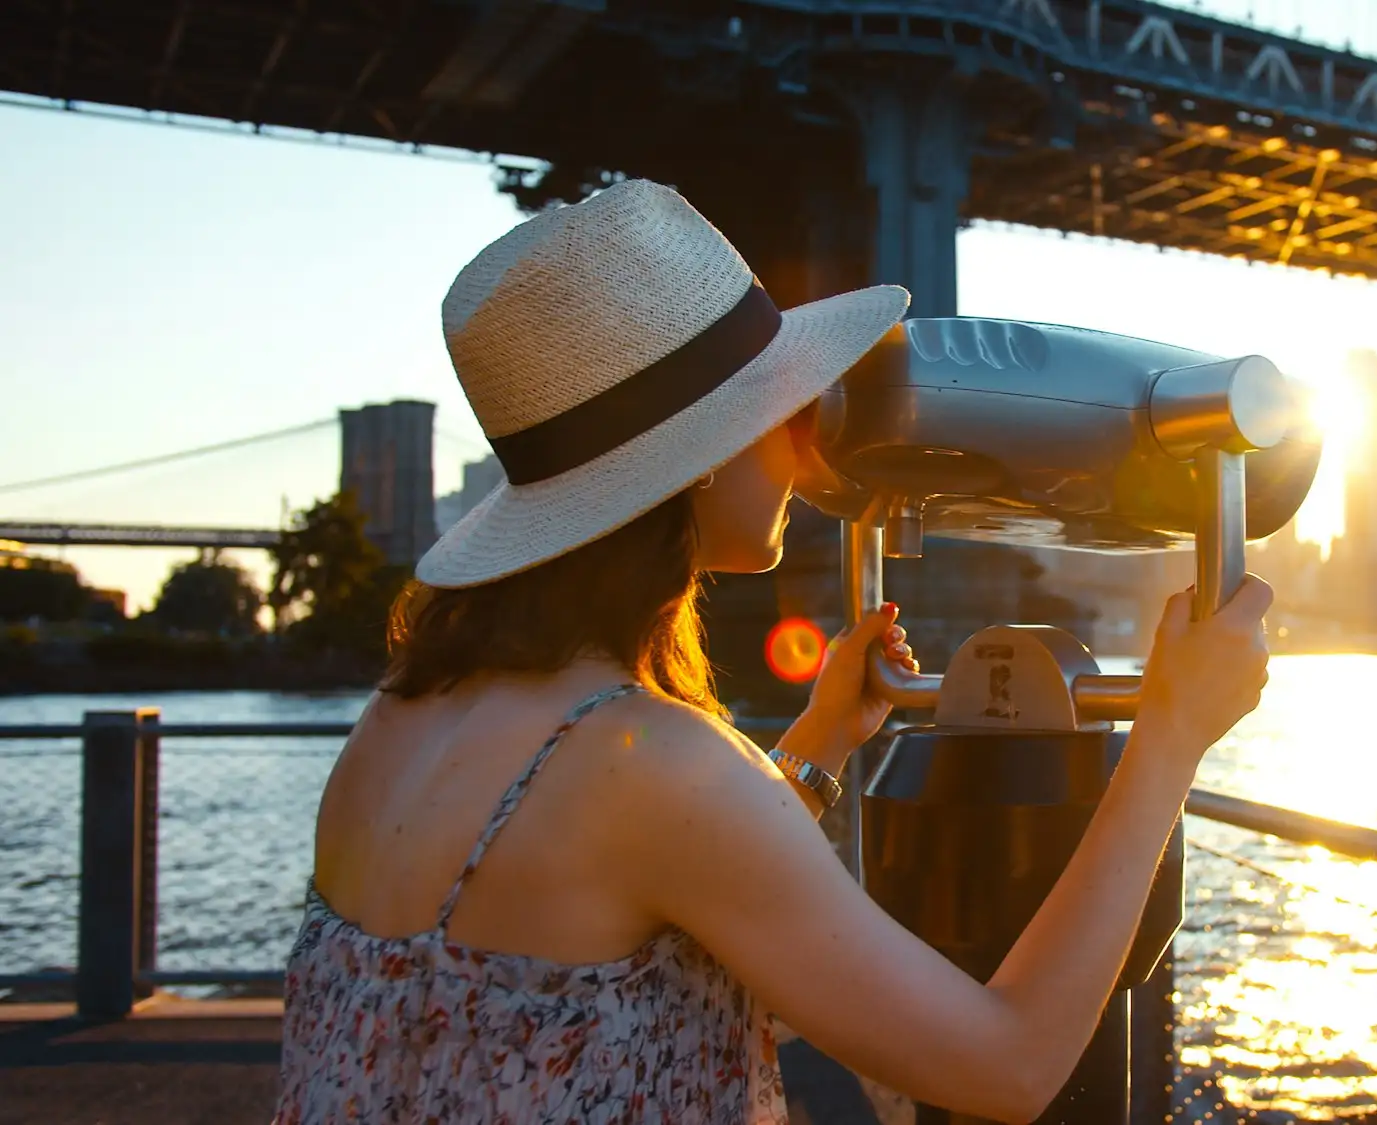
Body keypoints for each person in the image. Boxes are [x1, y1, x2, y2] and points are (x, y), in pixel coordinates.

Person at [274, 179, 1272, 1124]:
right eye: (782, 408)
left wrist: (820, 741)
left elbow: (673, 958)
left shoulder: (396, 723)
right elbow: (1006, 1067)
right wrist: (1168, 740)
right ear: (700, 460)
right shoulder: (648, 768)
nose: (808, 444)